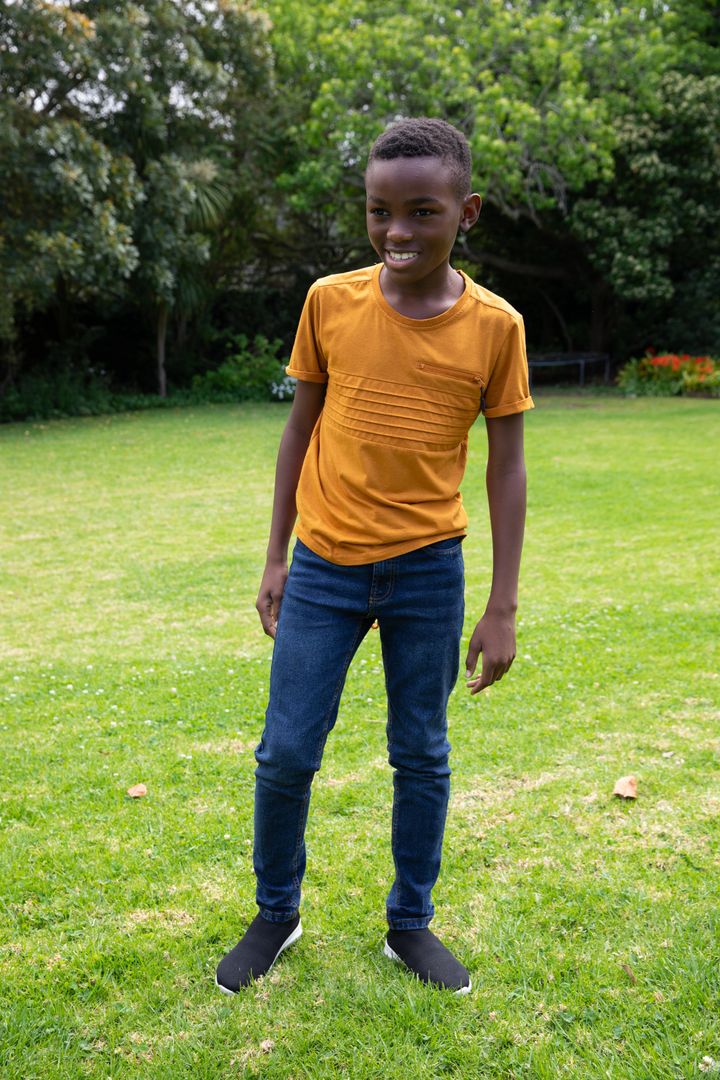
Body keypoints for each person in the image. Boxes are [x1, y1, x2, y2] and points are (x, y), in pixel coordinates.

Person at [216, 117, 533, 997]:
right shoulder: (329, 302)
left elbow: (508, 465)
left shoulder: (495, 327)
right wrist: (275, 556)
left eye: (421, 212)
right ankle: (277, 911)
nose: (397, 232)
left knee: (422, 753)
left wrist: (502, 604)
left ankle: (410, 925)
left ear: (465, 212)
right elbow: (298, 430)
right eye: (379, 212)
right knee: (285, 753)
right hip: (322, 565)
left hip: (430, 570)